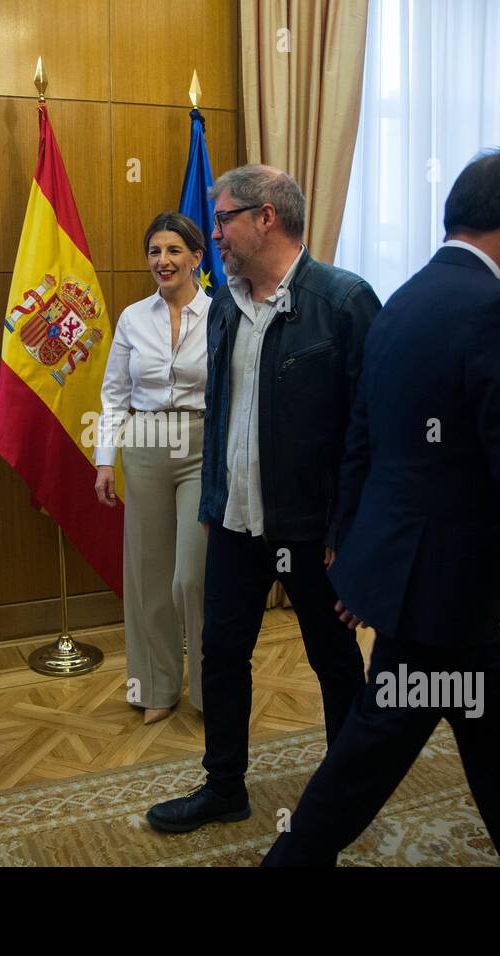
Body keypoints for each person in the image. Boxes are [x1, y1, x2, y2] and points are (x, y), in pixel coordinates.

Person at [263, 150, 500, 867]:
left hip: (427, 588)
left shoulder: (402, 300)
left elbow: (362, 445)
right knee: (368, 759)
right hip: (444, 600)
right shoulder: (499, 314)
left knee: (492, 749)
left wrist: (362, 564)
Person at [145, 165, 381, 834]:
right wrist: (215, 501)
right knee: (220, 654)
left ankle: (347, 795)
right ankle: (224, 787)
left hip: (316, 531)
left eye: (222, 220)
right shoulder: (224, 304)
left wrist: (355, 533)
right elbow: (223, 410)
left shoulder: (345, 301)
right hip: (236, 522)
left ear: (266, 218)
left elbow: (375, 429)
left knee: (333, 660)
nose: (213, 233)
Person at [95, 213, 211, 724]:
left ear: (196, 258)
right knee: (147, 575)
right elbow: (114, 393)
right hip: (143, 442)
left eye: (172, 251)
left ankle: (211, 689)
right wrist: (105, 460)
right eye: (154, 252)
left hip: (201, 444)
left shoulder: (221, 313)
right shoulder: (131, 318)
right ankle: (156, 688)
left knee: (192, 575)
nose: (162, 261)